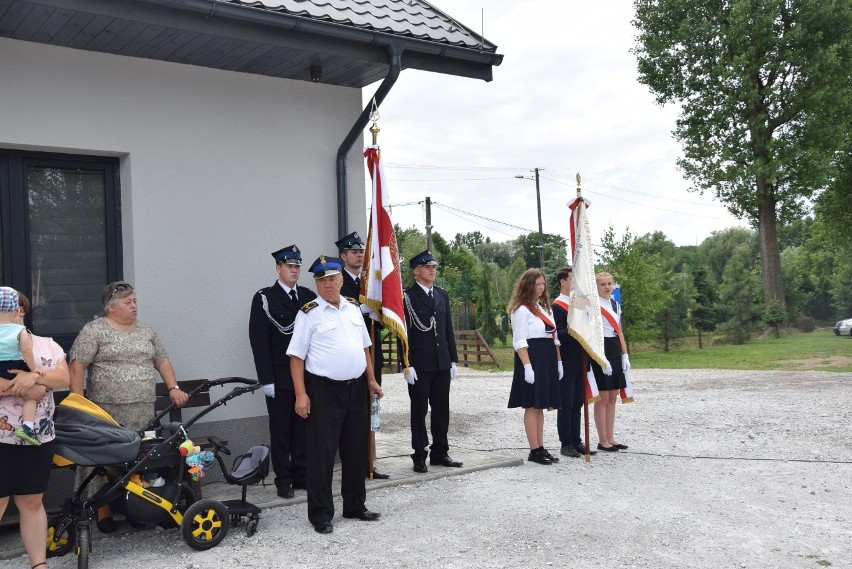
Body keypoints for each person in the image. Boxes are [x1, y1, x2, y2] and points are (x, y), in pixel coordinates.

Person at [69, 281, 189, 533]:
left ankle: (139, 506)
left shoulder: (146, 331)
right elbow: (78, 365)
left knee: (140, 458)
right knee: (103, 459)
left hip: (143, 410)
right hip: (106, 411)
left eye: (135, 301)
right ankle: (102, 511)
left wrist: (173, 387)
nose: (134, 306)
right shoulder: (95, 331)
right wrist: (78, 403)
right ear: (111, 307)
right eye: (128, 302)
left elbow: (162, 360)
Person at [287, 255, 384, 534]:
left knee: (356, 450)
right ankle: (320, 514)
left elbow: (364, 347)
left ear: (341, 280)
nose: (327, 285)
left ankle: (354, 505)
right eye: (321, 280)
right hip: (324, 391)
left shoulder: (353, 308)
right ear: (316, 284)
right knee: (322, 454)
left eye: (331, 278)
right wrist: (301, 395)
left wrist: (371, 380)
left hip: (356, 388)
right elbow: (296, 357)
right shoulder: (308, 313)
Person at [0, 290, 71, 569]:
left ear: (21, 310)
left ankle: (38, 565)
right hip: (1, 437)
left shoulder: (46, 344)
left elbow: (63, 376)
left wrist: (33, 376)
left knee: (31, 501)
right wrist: (35, 385)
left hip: (37, 437)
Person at [249, 244, 317, 499]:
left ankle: (301, 475)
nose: (294, 270)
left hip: (306, 377)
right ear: (278, 268)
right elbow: (259, 342)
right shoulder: (265, 298)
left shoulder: (308, 296)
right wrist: (266, 379)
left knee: (302, 429)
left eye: (297, 266)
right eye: (289, 266)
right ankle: (283, 479)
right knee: (281, 431)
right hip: (278, 377)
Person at [335, 231, 389, 480]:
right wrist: (361, 308)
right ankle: (352, 464)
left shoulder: (371, 282)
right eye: (354, 252)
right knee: (349, 412)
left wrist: (380, 315)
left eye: (361, 251)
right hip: (348, 355)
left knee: (369, 408)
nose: (359, 255)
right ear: (343, 255)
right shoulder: (338, 282)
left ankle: (368, 461)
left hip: (370, 352)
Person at [402, 250, 462, 474]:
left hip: (441, 362)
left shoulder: (441, 294)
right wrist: (406, 363)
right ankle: (419, 455)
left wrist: (453, 359)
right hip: (419, 363)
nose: (432, 270)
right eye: (427, 267)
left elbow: (447, 330)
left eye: (434, 267)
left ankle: (440, 452)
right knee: (419, 410)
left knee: (441, 409)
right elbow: (403, 333)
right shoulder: (406, 297)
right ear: (416, 271)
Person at [507, 268, 563, 465]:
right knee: (532, 404)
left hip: (546, 355)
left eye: (542, 284)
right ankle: (534, 449)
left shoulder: (544, 307)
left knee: (541, 405)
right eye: (536, 284)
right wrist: (527, 367)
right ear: (527, 285)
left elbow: (553, 337)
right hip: (531, 357)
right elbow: (519, 341)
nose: (540, 288)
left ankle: (540, 446)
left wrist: (558, 362)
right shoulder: (521, 310)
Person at [552, 267, 596, 458]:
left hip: (580, 360)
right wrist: (574, 328)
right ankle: (566, 442)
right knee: (567, 403)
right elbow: (557, 334)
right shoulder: (556, 306)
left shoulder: (578, 304)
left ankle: (577, 440)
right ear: (563, 281)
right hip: (566, 361)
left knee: (579, 402)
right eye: (572, 278)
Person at [590, 271, 630, 452]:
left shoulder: (614, 304)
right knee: (603, 397)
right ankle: (602, 439)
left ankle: (611, 436)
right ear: (596, 286)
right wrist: (601, 356)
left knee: (613, 396)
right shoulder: (594, 305)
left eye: (609, 284)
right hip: (601, 348)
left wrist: (625, 354)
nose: (607, 287)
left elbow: (619, 330)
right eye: (602, 284)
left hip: (614, 347)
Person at [0, 287, 40, 445]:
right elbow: (26, 350)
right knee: (30, 395)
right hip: (15, 366)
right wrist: (33, 369)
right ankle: (27, 427)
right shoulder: (20, 330)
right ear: (17, 311)